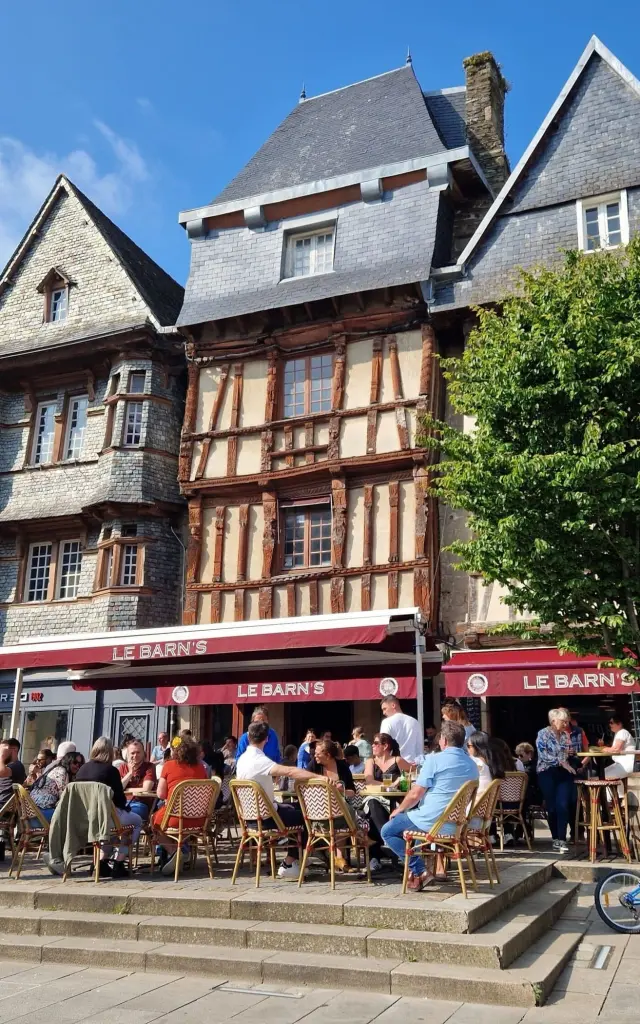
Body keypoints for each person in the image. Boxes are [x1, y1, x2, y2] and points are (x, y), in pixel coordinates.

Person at [381, 720, 479, 890]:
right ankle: (418, 874)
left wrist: (399, 809)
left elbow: (415, 794)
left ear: (444, 741)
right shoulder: (472, 764)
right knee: (405, 823)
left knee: (388, 830)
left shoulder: (434, 760)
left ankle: (421, 871)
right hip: (455, 826)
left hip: (431, 822)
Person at [235, 720, 316, 880]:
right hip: (268, 819)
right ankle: (289, 862)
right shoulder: (260, 760)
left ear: (248, 737)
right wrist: (318, 776)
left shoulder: (242, 760)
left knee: (296, 806)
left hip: (250, 818)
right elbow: (290, 771)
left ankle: (298, 860)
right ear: (266, 739)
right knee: (310, 814)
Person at [74, 737, 143, 877]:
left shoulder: (82, 769)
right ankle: (119, 862)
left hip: (86, 819)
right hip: (106, 818)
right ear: (110, 752)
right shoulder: (110, 771)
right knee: (136, 822)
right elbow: (119, 800)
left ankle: (102, 863)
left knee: (111, 827)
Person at [152, 735, 209, 875]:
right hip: (199, 818)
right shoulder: (201, 767)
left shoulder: (169, 765)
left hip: (175, 817)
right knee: (165, 819)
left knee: (154, 823)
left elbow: (160, 794)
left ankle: (176, 851)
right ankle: (181, 851)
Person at [363, 733, 413, 873]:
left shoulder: (398, 760)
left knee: (374, 810)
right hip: (377, 800)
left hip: (396, 803)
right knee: (373, 805)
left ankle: (378, 855)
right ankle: (386, 843)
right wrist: (390, 786)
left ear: (385, 746)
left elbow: (412, 774)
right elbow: (369, 781)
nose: (372, 745)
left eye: (376, 743)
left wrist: (404, 780)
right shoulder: (371, 762)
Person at [536, 708, 576, 854]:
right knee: (552, 806)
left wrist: (568, 757)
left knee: (563, 805)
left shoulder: (565, 736)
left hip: (563, 772)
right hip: (547, 771)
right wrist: (560, 762)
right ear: (553, 721)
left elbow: (565, 754)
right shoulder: (543, 734)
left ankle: (562, 838)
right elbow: (543, 754)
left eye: (567, 721)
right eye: (563, 721)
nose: (566, 724)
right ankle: (555, 839)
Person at [30, 752, 85, 821]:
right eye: (75, 762)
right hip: (39, 813)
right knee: (74, 818)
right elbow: (64, 797)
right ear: (68, 761)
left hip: (35, 812)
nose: (77, 766)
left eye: (80, 764)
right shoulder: (61, 771)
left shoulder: (57, 769)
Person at [117, 739, 156, 821]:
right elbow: (118, 788)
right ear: (127, 754)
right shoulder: (123, 767)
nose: (135, 755)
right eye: (132, 753)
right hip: (122, 804)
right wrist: (130, 773)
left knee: (124, 815)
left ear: (143, 753)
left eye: (138, 752)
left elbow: (146, 789)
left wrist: (127, 789)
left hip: (140, 804)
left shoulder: (149, 767)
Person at [379, 697, 423, 763]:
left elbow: (383, 746)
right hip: (413, 765)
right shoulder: (415, 722)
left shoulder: (386, 722)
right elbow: (419, 748)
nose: (384, 713)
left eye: (385, 709)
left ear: (393, 705)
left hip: (394, 765)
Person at [600, 716, 637, 784]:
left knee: (607, 774)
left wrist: (603, 749)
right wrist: (604, 748)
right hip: (623, 764)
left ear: (619, 724)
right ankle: (619, 794)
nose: (609, 725)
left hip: (626, 764)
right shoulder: (619, 733)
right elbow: (614, 749)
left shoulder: (622, 732)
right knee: (605, 772)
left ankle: (616, 794)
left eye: (611, 723)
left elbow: (617, 749)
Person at [0, 738, 26, 811]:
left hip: (4, 807)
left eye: (3, 750)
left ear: (13, 750)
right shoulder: (7, 765)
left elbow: (2, 772)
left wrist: (1, 756)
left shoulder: (17, 765)